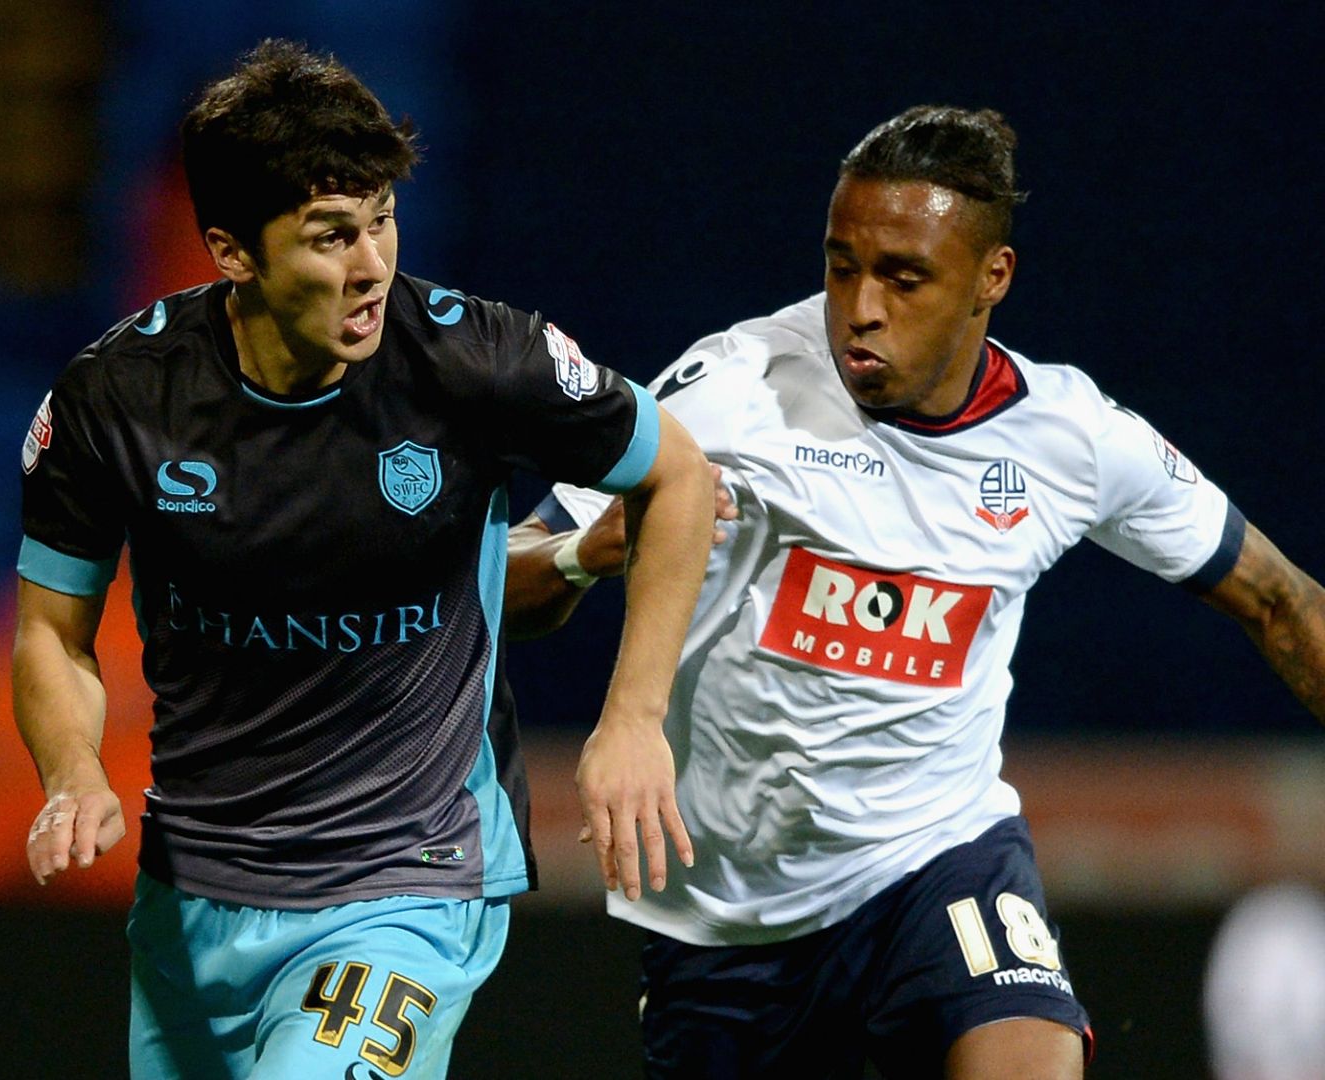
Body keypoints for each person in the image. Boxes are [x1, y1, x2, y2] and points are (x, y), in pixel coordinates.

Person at [509, 105, 1325, 1079]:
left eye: (903, 277)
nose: (859, 306)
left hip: (939, 860)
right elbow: (510, 573)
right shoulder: (735, 386)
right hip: (729, 925)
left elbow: (1283, 604)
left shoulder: (1075, 438)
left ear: (993, 279)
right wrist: (575, 559)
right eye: (841, 263)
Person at [12, 40, 716, 1079]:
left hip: (408, 885)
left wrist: (635, 720)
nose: (372, 264)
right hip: (194, 898)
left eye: (381, 220)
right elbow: (49, 631)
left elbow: (680, 477)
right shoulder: (115, 401)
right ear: (232, 251)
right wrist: (71, 771)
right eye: (331, 236)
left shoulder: (474, 358)